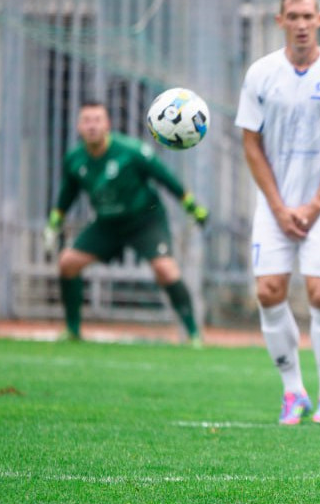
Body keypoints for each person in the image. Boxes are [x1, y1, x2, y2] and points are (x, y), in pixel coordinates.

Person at [236, 0, 320, 427]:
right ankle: (293, 392)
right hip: (274, 203)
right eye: (292, 16)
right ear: (280, 21)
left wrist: (315, 204)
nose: (300, 24)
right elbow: (250, 143)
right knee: (269, 292)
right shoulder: (261, 74)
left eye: (307, 16)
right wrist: (278, 206)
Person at [43, 101, 208, 345]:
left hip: (145, 220)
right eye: (86, 121)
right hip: (107, 224)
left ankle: (194, 334)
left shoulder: (131, 151)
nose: (92, 126)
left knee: (165, 269)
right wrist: (54, 222)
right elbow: (67, 194)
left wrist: (192, 206)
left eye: (97, 120)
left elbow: (164, 176)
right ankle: (73, 330)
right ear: (78, 126)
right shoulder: (75, 159)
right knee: (68, 263)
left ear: (107, 124)